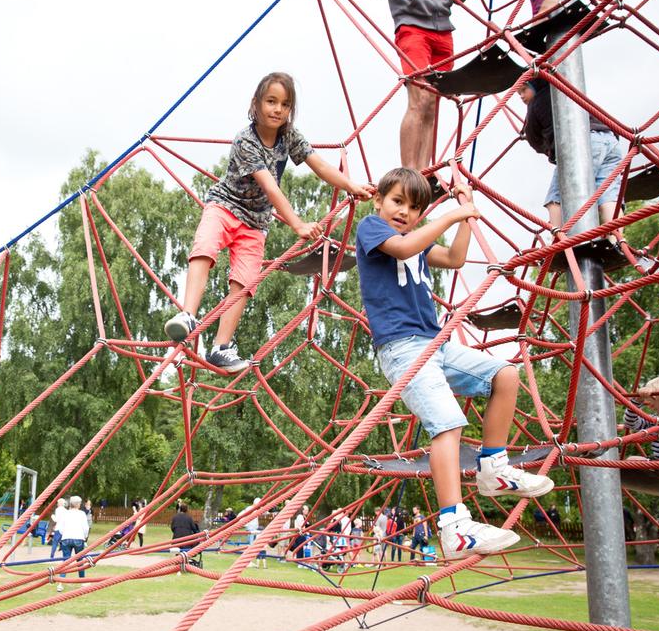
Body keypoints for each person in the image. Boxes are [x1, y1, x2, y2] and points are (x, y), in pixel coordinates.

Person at [354, 168, 554, 560]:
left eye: (414, 208)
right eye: (397, 201)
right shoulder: (371, 229)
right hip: (402, 348)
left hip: (436, 344)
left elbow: (457, 258)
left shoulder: (418, 242)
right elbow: (403, 248)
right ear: (378, 200)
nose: (405, 212)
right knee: (447, 422)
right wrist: (449, 216)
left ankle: (493, 468)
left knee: (506, 374)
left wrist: (465, 211)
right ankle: (454, 527)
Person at [164, 71, 374, 373]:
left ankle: (220, 347)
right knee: (205, 246)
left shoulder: (289, 135)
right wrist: (298, 224)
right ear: (256, 104)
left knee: (244, 281)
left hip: (254, 223)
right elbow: (270, 187)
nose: (277, 110)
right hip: (224, 206)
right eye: (271, 102)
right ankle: (187, 313)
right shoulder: (245, 141)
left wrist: (351, 186)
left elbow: (320, 165)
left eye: (285, 104)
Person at [365, 0, 489, 170]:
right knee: (419, 98)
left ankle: (423, 172)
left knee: (432, 103)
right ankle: (409, 171)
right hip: (412, 27)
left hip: (442, 31)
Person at [519, 78, 624, 240]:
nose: (521, 95)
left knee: (556, 196)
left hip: (582, 143)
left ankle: (558, 242)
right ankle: (616, 240)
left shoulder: (536, 103)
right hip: (610, 140)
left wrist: (550, 149)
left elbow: (533, 139)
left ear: (536, 85)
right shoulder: (568, 90)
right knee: (608, 195)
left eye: (524, 90)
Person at [55, 495, 90, 592]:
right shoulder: (82, 514)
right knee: (80, 561)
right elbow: (86, 528)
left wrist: (65, 535)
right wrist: (85, 536)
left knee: (65, 561)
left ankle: (60, 583)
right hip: (78, 539)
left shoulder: (65, 514)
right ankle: (82, 582)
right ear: (78, 504)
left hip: (66, 539)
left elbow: (60, 528)